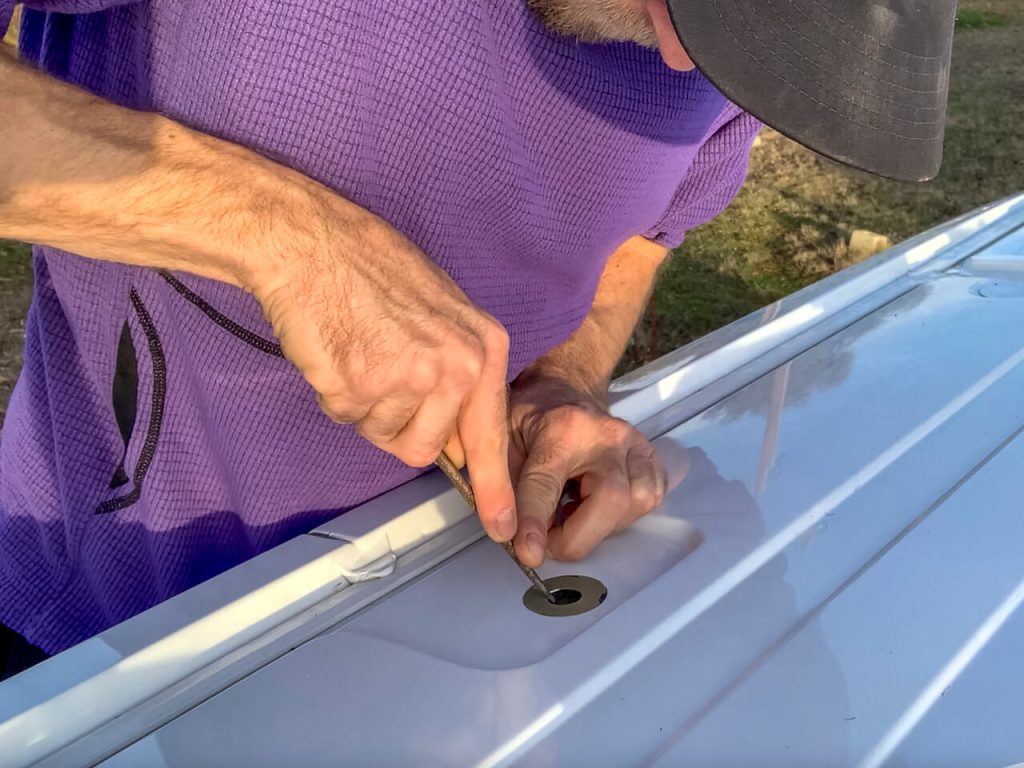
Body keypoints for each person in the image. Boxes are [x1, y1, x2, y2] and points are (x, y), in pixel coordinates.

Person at [0, 0, 955, 676]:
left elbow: (638, 236)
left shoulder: (715, 58)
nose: (679, 62)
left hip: (426, 644)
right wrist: (285, 234)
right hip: (105, 636)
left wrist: (564, 382)